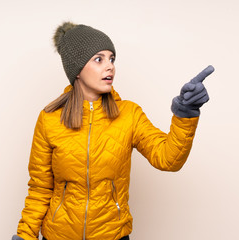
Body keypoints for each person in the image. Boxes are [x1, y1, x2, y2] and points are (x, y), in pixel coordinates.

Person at [12, 21, 214, 240]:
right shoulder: (49, 120)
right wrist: (25, 236)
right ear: (77, 69)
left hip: (113, 235)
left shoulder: (129, 114)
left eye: (112, 59)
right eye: (99, 59)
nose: (110, 66)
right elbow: (40, 189)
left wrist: (186, 112)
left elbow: (169, 159)